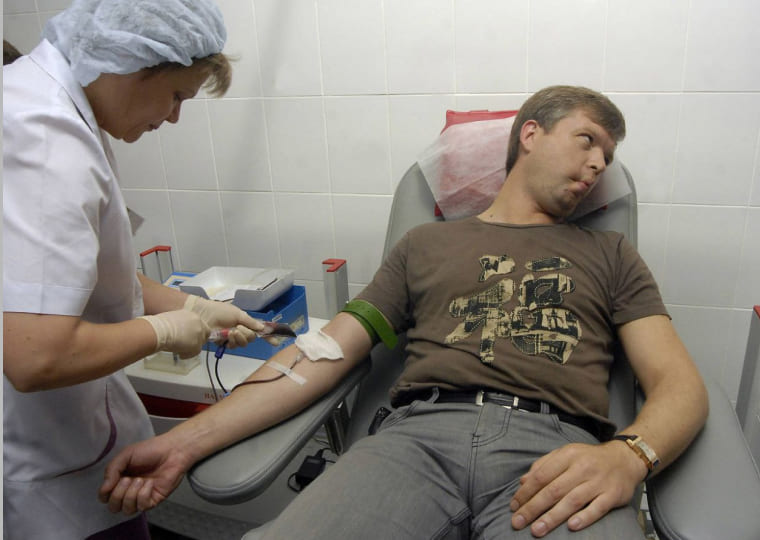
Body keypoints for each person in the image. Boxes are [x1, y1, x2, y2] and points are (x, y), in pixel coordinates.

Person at [99, 86, 708, 539]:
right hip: (414, 444)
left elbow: (679, 385)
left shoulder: (610, 254)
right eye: (588, 140)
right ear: (530, 134)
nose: (600, 164)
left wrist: (629, 456)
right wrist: (184, 441)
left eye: (608, 155)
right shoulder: (425, 245)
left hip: (554, 453)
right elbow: (323, 353)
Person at [2, 1, 272, 538]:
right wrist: (162, 331)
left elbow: (93, 278)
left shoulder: (52, 107)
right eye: (177, 96)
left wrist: (193, 307)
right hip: (48, 467)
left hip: (68, 438)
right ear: (135, 61)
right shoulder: (47, 140)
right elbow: (34, 357)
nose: (174, 117)